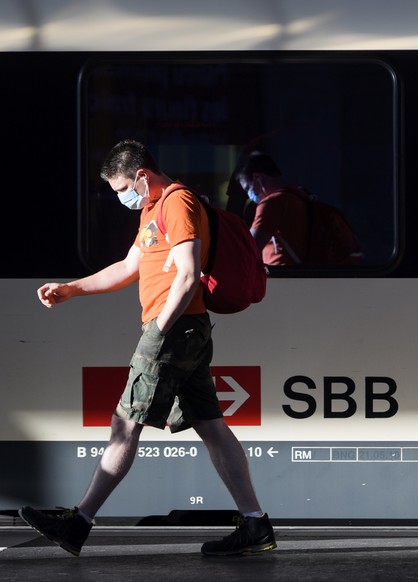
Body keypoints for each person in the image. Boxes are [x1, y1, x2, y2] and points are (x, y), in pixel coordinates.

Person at [19, 140, 276, 557]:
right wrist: (70, 289)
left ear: (142, 175)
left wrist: (158, 329)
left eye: (122, 187)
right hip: (183, 330)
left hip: (173, 330)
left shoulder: (177, 203)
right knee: (211, 425)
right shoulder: (151, 212)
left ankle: (77, 523)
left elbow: (189, 273)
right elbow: (127, 267)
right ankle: (255, 524)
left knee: (126, 424)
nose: (122, 196)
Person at [235, 151, 362, 267]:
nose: (249, 196)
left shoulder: (271, 203)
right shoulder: (301, 196)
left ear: (259, 178)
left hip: (284, 279)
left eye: (247, 188)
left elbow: (248, 249)